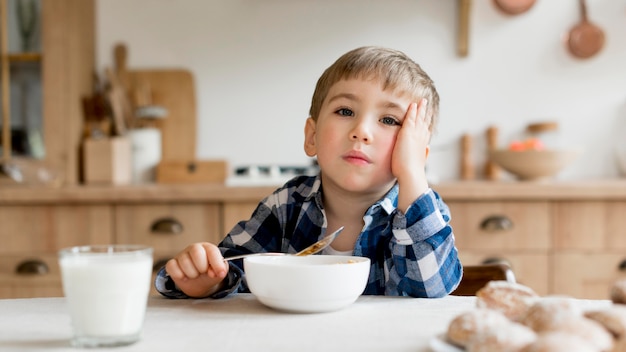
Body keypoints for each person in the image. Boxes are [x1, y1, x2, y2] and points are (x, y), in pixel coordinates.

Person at [155, 46, 462, 299]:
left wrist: (411, 174)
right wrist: (210, 281)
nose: (361, 131)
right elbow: (233, 272)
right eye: (345, 112)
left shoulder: (422, 213)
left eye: (390, 120)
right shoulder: (286, 205)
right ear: (312, 136)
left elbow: (430, 288)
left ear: (415, 152)